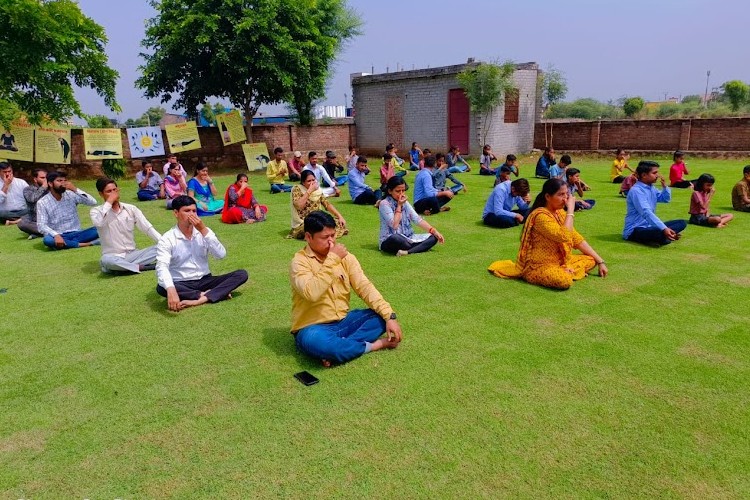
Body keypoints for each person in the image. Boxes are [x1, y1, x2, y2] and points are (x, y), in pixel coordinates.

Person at [289, 210, 403, 366]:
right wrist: (333, 259)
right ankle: (374, 345)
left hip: (344, 322)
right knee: (316, 342)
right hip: (313, 328)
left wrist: (390, 316)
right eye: (325, 238)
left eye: (333, 236)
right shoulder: (299, 262)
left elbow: (364, 286)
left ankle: (339, 348)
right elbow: (311, 293)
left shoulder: (347, 258)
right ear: (308, 237)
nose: (331, 242)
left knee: (380, 318)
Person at [488, 178, 608, 290]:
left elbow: (576, 239)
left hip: (559, 261)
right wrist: (570, 211)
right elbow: (564, 236)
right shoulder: (540, 216)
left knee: (591, 259)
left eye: (566, 194)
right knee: (564, 280)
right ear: (548, 196)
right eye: (561, 194)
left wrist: (600, 261)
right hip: (538, 266)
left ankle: (565, 269)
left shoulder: (559, 212)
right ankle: (564, 272)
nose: (565, 198)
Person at [156, 195, 248, 311]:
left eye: (194, 211)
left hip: (205, 280)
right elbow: (162, 266)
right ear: (176, 213)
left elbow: (221, 255)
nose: (192, 214)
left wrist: (203, 230)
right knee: (162, 287)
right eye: (187, 211)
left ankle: (201, 299)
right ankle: (212, 294)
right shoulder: (168, 238)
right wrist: (171, 289)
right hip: (182, 283)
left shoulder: (204, 232)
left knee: (241, 274)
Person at [90, 178, 162, 273]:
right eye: (109, 191)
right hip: (113, 256)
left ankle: (122, 268)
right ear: (101, 194)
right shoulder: (96, 211)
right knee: (107, 261)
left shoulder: (131, 208)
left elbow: (147, 227)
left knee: (162, 247)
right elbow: (99, 223)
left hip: (133, 254)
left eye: (114, 190)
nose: (113, 194)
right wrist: (109, 202)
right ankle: (142, 267)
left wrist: (163, 242)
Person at [623, 161, 687, 246]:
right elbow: (646, 212)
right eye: (654, 173)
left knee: (682, 223)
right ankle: (662, 237)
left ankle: (661, 237)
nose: (657, 175)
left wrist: (665, 187)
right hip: (635, 229)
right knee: (659, 231)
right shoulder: (636, 191)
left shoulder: (651, 188)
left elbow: (665, 199)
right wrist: (664, 229)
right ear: (644, 175)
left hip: (649, 226)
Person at [379, 176, 445, 256]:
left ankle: (407, 252)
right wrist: (399, 206)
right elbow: (394, 225)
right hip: (390, 239)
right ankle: (419, 248)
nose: (401, 194)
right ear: (390, 191)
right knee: (396, 238)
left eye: (403, 191)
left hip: (408, 237)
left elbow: (417, 219)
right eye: (398, 191)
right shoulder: (384, 204)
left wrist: (434, 231)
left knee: (434, 237)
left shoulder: (405, 203)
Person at [37, 171, 99, 249]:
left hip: (77, 233)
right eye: (59, 181)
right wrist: (56, 235)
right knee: (48, 240)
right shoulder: (42, 202)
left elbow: (93, 202)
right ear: (50, 184)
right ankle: (88, 244)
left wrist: (75, 189)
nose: (63, 183)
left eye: (64, 180)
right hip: (59, 235)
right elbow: (41, 225)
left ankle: (67, 244)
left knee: (100, 229)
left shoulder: (71, 194)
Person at [288, 170, 347, 239]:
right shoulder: (297, 189)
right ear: (303, 182)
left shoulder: (317, 190)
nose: (312, 183)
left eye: (313, 180)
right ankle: (325, 234)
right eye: (309, 181)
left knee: (336, 222)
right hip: (303, 223)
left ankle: (325, 234)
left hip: (317, 220)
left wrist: (340, 216)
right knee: (315, 229)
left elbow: (327, 204)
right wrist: (309, 191)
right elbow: (299, 206)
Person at [18, 167, 47, 238]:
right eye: (42, 178)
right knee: (22, 223)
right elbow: (32, 199)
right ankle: (47, 232)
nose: (45, 180)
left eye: (46, 177)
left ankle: (39, 233)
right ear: (35, 179)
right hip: (36, 221)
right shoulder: (28, 189)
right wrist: (43, 188)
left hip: (50, 219)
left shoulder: (51, 189)